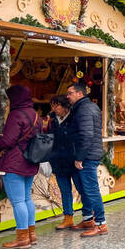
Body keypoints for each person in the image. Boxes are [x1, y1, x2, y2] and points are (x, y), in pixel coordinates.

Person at [0, 85, 40, 249]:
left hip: (15, 162)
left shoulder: (16, 114)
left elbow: (8, 140)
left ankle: (22, 238)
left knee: (18, 201)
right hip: (30, 161)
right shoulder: (35, 114)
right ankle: (31, 234)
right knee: (27, 199)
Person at [65, 82, 107, 237]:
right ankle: (88, 219)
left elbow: (86, 135)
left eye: (70, 93)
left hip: (87, 156)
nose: (67, 96)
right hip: (88, 154)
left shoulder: (83, 109)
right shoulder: (85, 107)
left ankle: (101, 224)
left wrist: (80, 157)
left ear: (79, 94)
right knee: (85, 190)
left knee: (91, 190)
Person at [46, 95, 85, 230]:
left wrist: (79, 156)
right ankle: (68, 218)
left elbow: (81, 138)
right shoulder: (51, 120)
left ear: (65, 106)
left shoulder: (75, 118)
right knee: (65, 191)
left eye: (57, 105)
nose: (54, 109)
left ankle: (89, 217)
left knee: (81, 189)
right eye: (52, 106)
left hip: (73, 160)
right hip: (58, 160)